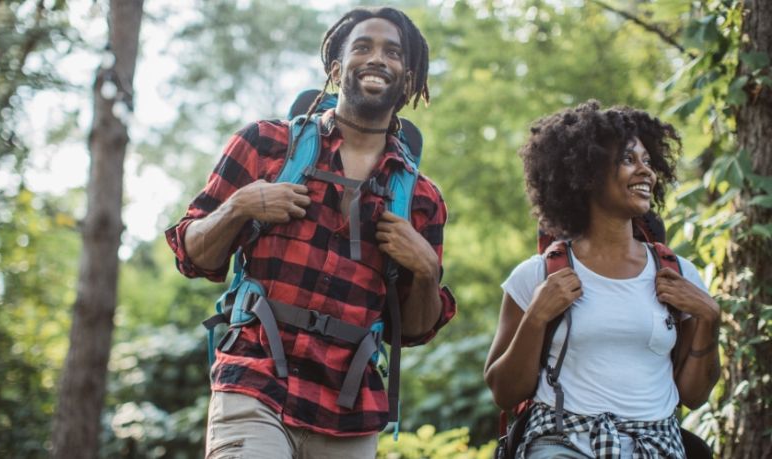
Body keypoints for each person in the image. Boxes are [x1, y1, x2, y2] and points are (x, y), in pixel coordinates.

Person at [165, 7, 456, 459]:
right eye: (362, 47)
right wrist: (241, 205)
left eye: (393, 53)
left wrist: (426, 271)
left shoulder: (422, 199)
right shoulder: (266, 144)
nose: (377, 58)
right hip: (254, 380)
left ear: (409, 77)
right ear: (337, 69)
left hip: (350, 411)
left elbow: (415, 330)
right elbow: (191, 254)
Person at [484, 101, 720, 458]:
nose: (646, 171)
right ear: (588, 174)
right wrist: (535, 316)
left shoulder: (679, 274)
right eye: (629, 160)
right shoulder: (537, 275)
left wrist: (709, 318)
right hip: (562, 442)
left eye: (648, 160)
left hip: (657, 444)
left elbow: (694, 396)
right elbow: (504, 392)